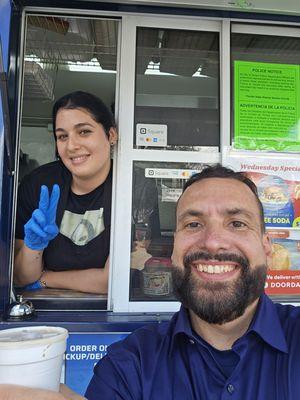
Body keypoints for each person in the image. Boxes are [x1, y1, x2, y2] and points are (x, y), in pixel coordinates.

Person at [5, 164, 300, 399]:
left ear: (266, 247)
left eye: (237, 223)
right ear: (173, 248)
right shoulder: (128, 366)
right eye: (193, 224)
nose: (212, 242)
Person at [14, 91, 117, 294]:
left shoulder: (133, 186)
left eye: (84, 132)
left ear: (111, 135)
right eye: (62, 136)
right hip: (43, 312)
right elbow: (20, 277)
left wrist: (47, 278)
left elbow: (115, 279)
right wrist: (33, 247)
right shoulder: (38, 185)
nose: (71, 146)